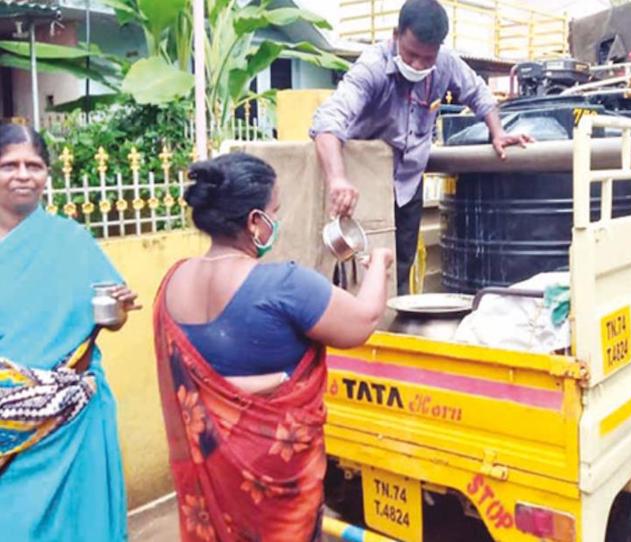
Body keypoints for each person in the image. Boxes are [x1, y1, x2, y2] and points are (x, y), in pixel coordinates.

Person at [153, 152, 392, 542]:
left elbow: (210, 383)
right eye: (274, 212)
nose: (277, 222)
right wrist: (379, 264)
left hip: (211, 485)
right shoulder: (286, 285)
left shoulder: (172, 282)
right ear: (254, 221)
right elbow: (362, 322)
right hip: (276, 498)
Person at [311, 0, 532, 294]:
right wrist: (337, 178)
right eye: (411, 54)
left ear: (438, 49)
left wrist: (498, 131)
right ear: (395, 35)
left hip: (408, 184)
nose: (417, 64)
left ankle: (391, 329)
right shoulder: (372, 67)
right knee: (356, 265)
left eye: (426, 58)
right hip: (363, 182)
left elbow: (478, 93)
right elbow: (328, 119)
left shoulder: (446, 63)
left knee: (400, 264)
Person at [0, 124, 140, 541]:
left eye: (34, 165)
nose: (23, 174)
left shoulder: (72, 240)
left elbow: (109, 322)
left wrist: (119, 308)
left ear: (47, 175)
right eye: (9, 165)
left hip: (72, 417)